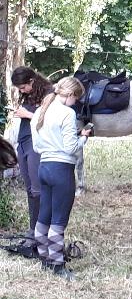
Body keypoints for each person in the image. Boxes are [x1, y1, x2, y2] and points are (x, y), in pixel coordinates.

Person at [31, 76, 92, 279]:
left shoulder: (40, 111)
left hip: (44, 167)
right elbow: (70, 148)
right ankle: (58, 265)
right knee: (58, 220)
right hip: (61, 170)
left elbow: (37, 146)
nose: (76, 103)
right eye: (76, 98)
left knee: (44, 216)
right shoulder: (67, 113)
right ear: (70, 94)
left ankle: (44, 259)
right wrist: (83, 137)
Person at [9, 66, 56, 254]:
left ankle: (42, 231)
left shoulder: (49, 93)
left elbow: (50, 119)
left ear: (31, 81)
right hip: (23, 140)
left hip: (36, 143)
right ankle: (33, 229)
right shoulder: (30, 94)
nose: (21, 91)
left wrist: (27, 114)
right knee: (29, 188)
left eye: (22, 87)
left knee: (38, 189)